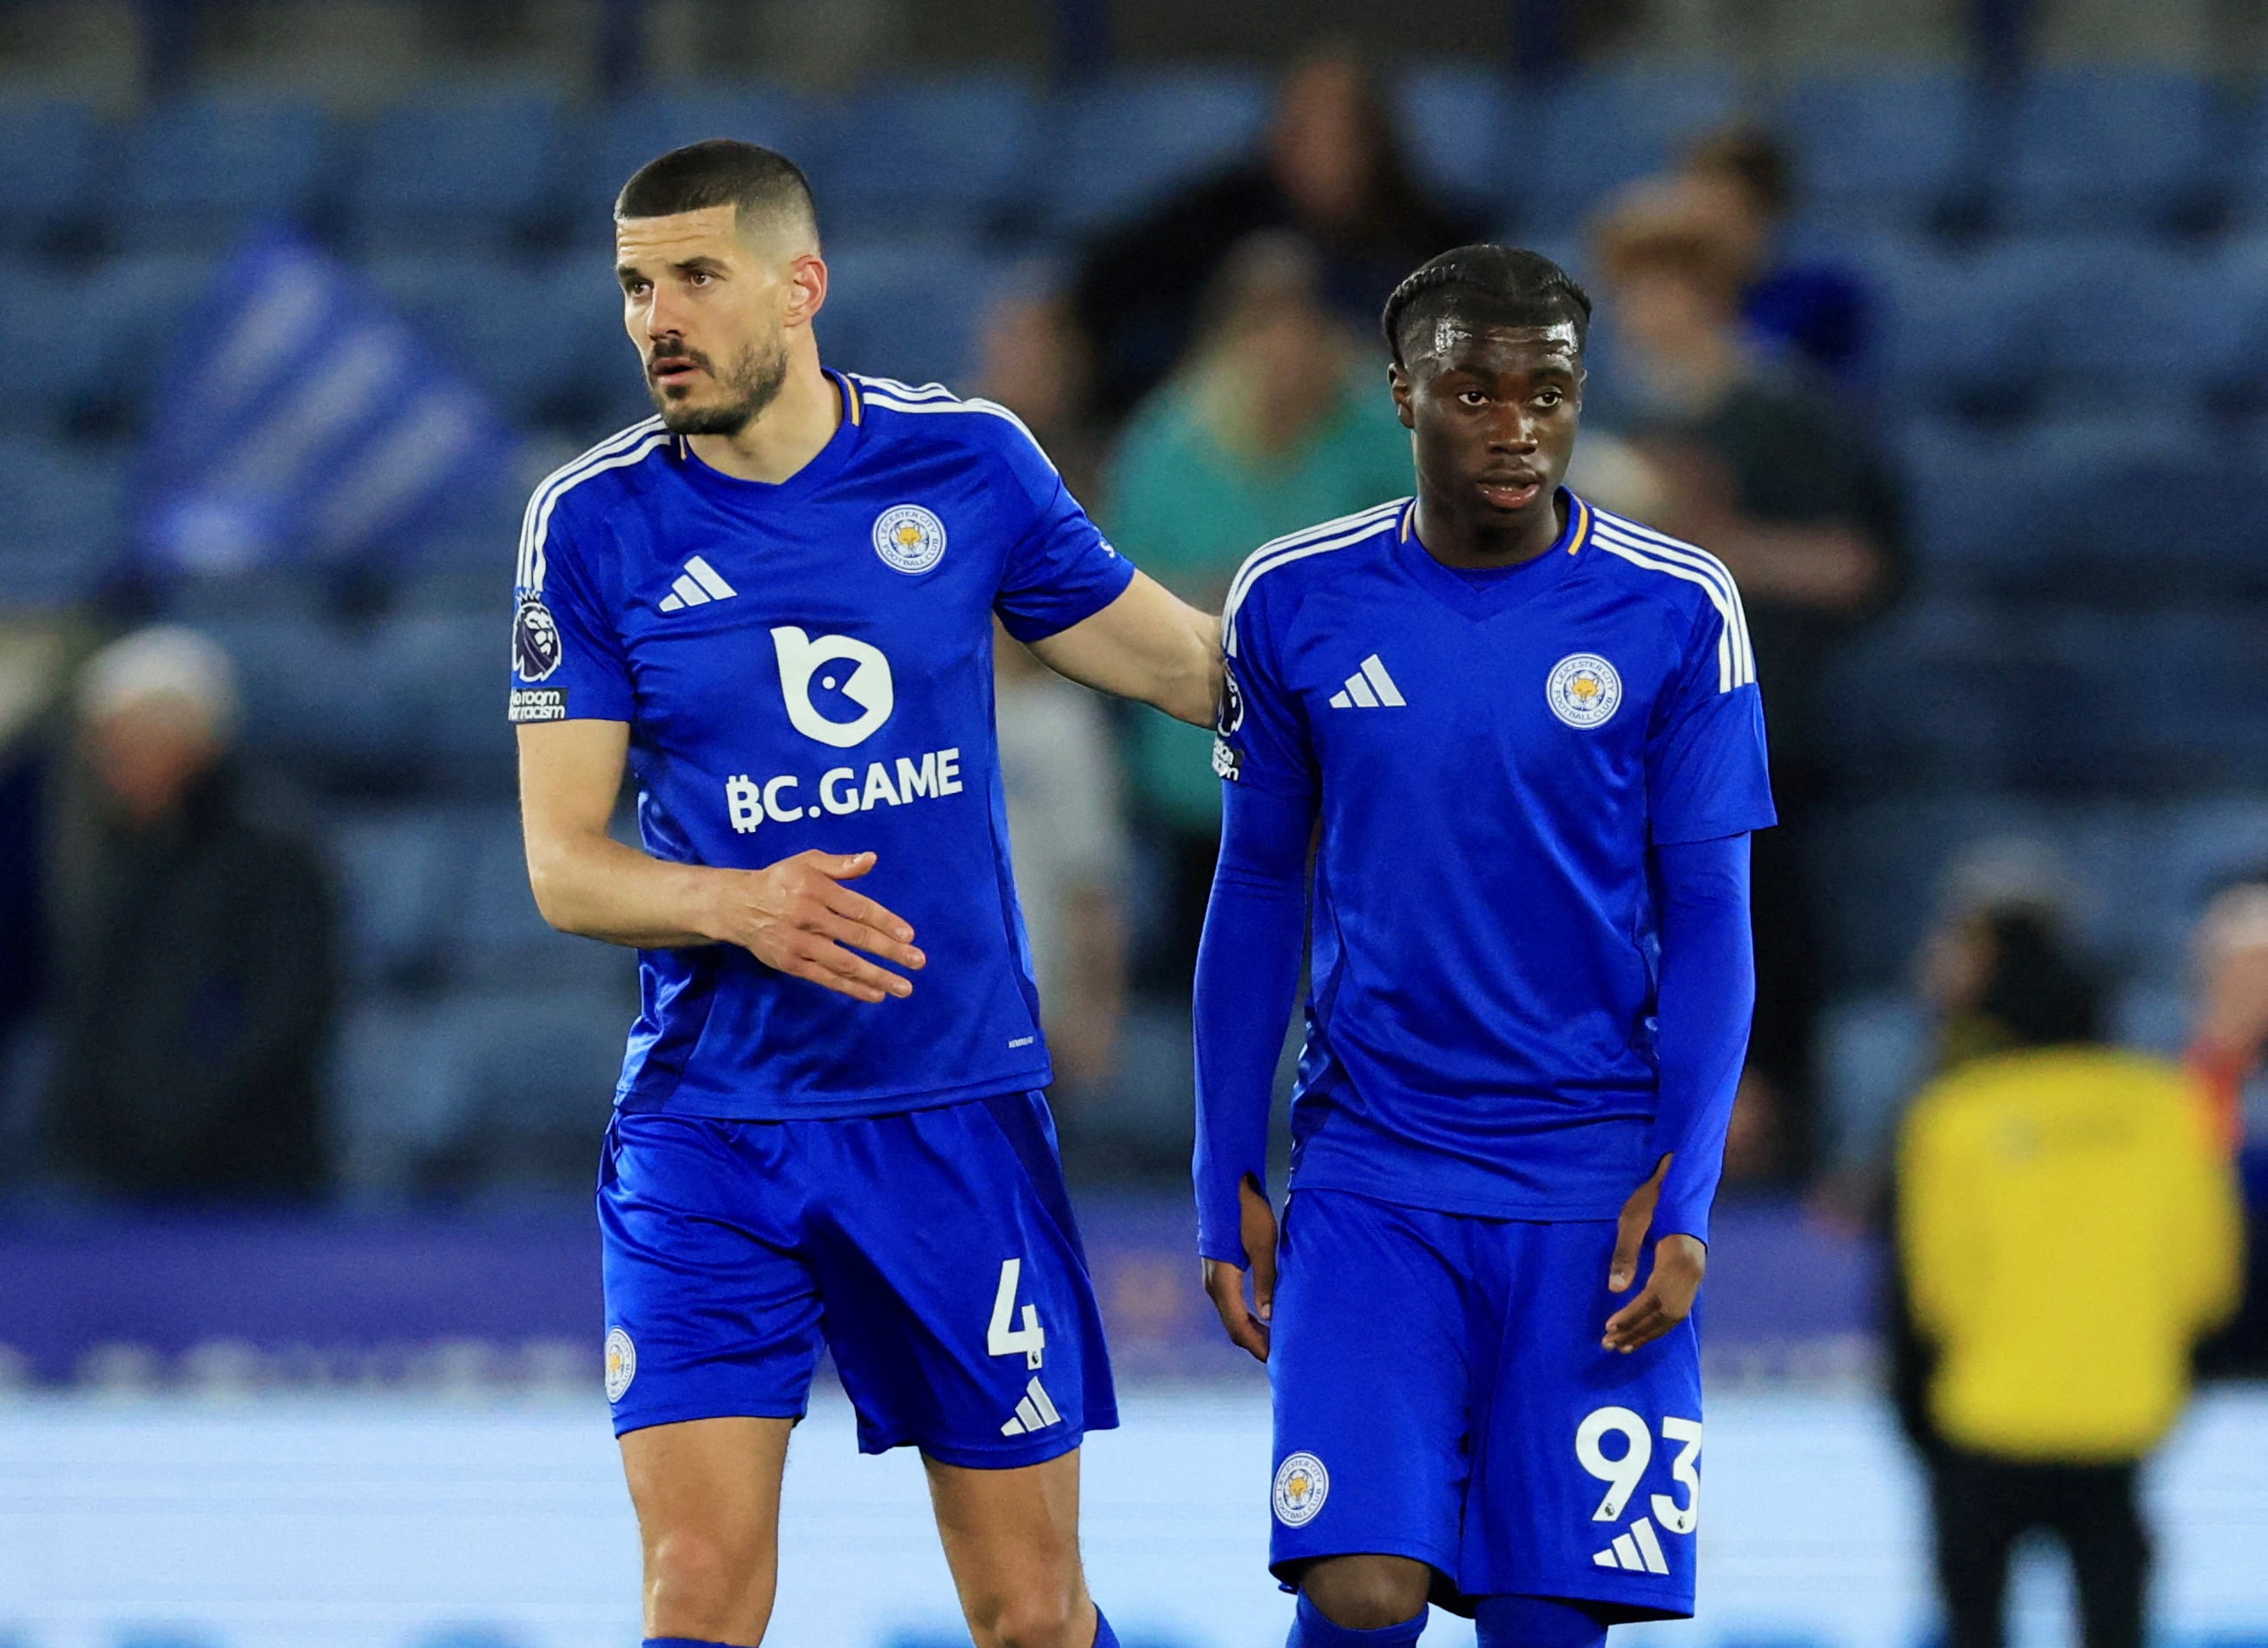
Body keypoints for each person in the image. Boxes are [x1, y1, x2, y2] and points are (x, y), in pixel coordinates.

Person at [509, 141, 1219, 1648]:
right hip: (712, 1125)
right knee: (696, 1586)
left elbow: (1186, 667)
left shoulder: (964, 463)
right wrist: (737, 903)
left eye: (696, 277)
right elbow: (563, 863)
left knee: (1028, 1608)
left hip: (947, 1109)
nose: (658, 319)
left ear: (801, 285)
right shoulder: (592, 523)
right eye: (635, 286)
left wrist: (1410, 694)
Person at [1194, 246, 1773, 1644]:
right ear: (1402, 394)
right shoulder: (1294, 597)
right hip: (1375, 1168)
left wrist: (1682, 1191)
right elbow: (1257, 886)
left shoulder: (1678, 605)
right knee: (1360, 1583)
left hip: (1591, 1180)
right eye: (1474, 391)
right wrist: (1226, 1176)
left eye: (1547, 392)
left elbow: (1712, 919)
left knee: (1542, 1620)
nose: (1515, 425)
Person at [1592, 184, 1904, 1184]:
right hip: (1615, 754)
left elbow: (1856, 565)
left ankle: (1772, 1170)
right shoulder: (1595, 426)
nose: (1652, 310)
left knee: (1758, 959)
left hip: (1759, 743)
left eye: (1673, 285)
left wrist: (1714, 541)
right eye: (1636, 287)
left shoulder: (1794, 419)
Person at [1897, 906, 2245, 1648]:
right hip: (2122, 1418)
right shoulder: (2170, 1107)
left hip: (1985, 1415)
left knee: (1974, 1618)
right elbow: (2207, 1275)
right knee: (2115, 1613)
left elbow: (1934, 1289)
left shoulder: (1955, 1114)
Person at [1107, 233, 1411, 986]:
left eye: (1307, 327)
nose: (1288, 350)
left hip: (1354, 757)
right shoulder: (1167, 445)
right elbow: (1115, 591)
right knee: (1217, 977)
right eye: (1266, 327)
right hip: (1204, 763)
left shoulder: (1384, 435)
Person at [44, 626, 337, 1202]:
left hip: (251, 1176)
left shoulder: (273, 849)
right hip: (119, 1172)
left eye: (130, 745)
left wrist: (179, 1109)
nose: (112, 767)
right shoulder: (122, 850)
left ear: (191, 740)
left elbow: (287, 1010)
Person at [1071, 45, 1481, 425]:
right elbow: (1106, 281)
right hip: (1226, 430)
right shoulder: (1221, 213)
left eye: (1339, 133)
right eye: (1302, 129)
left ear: (1374, 143)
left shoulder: (1430, 235)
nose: (1320, 150)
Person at [1680, 128, 1874, 388]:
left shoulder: (1820, 293)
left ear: (1766, 216)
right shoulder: (1690, 292)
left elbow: (1744, 367)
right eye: (1693, 214)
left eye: (1719, 214)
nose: (1702, 231)